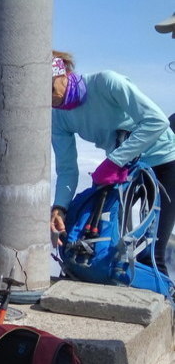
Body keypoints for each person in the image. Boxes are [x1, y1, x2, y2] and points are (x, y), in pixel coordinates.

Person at [49, 50, 175, 278]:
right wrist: (59, 208)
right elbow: (67, 169)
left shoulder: (107, 83)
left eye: (49, 88)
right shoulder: (58, 117)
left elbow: (157, 121)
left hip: (165, 161)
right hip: (124, 171)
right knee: (101, 244)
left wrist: (114, 160)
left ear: (63, 73)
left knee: (152, 253)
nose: (49, 99)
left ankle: (165, 297)